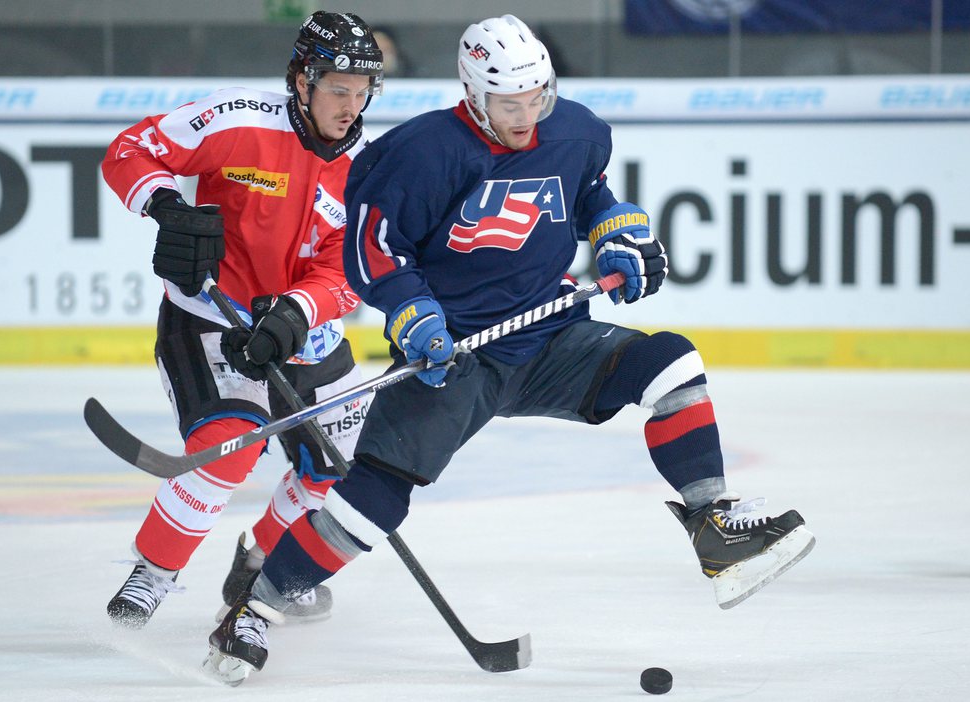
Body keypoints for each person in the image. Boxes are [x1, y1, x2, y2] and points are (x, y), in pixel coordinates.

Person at [202, 14, 815, 684]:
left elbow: (590, 196)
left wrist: (621, 235)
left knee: (671, 362)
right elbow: (373, 250)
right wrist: (413, 315)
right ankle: (254, 607)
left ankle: (714, 527)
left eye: (536, 99)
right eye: (508, 103)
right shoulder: (423, 153)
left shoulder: (575, 129)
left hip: (550, 341)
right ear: (472, 93)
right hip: (453, 357)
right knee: (371, 501)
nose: (526, 116)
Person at [99, 11, 385, 629]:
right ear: (301, 81)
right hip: (211, 318)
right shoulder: (235, 120)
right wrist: (167, 205)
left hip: (306, 334)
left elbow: (351, 270)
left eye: (363, 92)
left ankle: (260, 562)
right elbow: (129, 151)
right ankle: (154, 572)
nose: (351, 106)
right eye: (339, 88)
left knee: (346, 469)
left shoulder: (372, 166)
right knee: (226, 448)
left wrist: (298, 311)